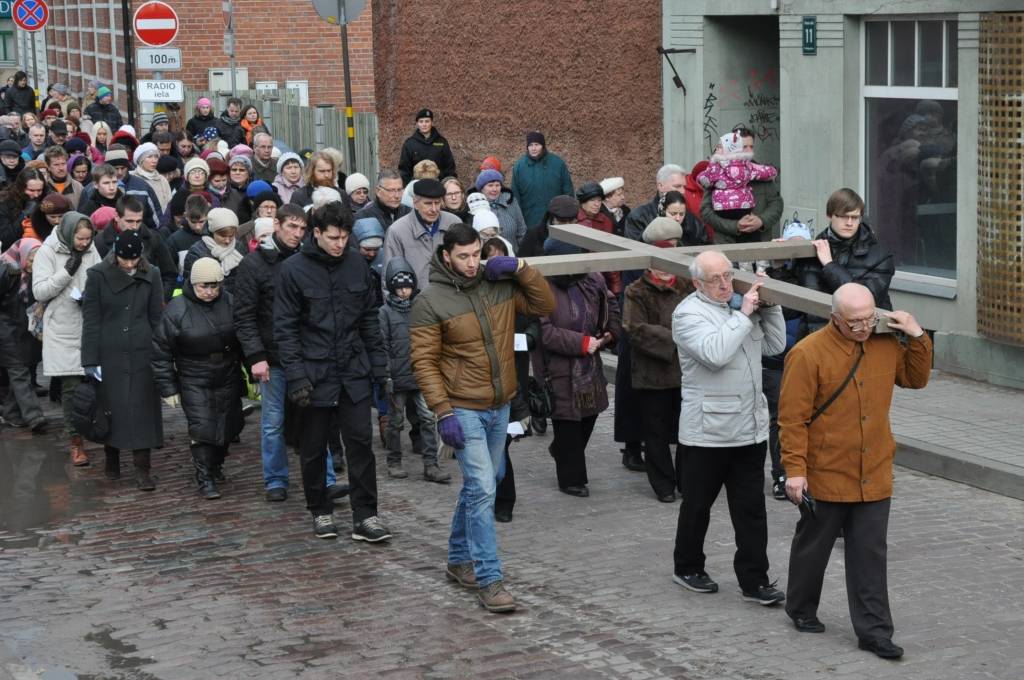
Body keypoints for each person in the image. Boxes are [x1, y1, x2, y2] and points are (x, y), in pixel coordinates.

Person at [780, 283, 932, 660]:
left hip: (875, 470)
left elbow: (916, 378)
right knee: (813, 547)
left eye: (869, 319)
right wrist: (795, 471)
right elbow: (792, 419)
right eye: (855, 322)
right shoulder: (807, 353)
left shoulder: (884, 342)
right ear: (835, 318)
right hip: (827, 472)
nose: (864, 327)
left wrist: (916, 334)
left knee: (870, 555)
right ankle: (800, 607)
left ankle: (875, 633)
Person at [409, 223, 554, 613]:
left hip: (500, 402)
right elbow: (423, 363)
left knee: (485, 483)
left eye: (477, 254)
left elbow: (544, 305)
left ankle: (458, 559)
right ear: (446, 257)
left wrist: (520, 267)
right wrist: (442, 412)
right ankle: (489, 579)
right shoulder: (431, 301)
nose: (472, 263)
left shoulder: (500, 285)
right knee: (484, 487)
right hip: (462, 407)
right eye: (463, 256)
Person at [670, 250, 786, 605]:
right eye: (715, 279)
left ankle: (755, 580)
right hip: (707, 433)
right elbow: (716, 353)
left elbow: (774, 345)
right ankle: (688, 566)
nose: (724, 285)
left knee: (751, 510)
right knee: (697, 506)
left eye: (727, 276)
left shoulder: (737, 308)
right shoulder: (688, 314)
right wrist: (745, 314)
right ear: (697, 283)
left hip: (749, 429)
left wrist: (772, 308)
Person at [273, 201, 391, 541]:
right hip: (313, 372)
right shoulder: (293, 270)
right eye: (334, 237)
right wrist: (296, 376)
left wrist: (379, 368)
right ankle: (320, 509)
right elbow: (285, 329)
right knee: (312, 448)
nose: (340, 244)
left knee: (360, 445)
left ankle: (366, 514)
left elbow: (369, 319)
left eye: (345, 237)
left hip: (352, 369)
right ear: (317, 234)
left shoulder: (356, 265)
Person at [152, 257, 244, 499]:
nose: (209, 291)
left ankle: (216, 465)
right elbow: (160, 350)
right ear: (193, 285)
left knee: (229, 423)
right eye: (203, 286)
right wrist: (168, 388)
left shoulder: (230, 302)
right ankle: (204, 477)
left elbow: (244, 335)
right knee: (202, 426)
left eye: (214, 286)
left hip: (228, 372)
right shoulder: (177, 308)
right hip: (194, 374)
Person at [536, 238, 621, 497]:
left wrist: (609, 333)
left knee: (590, 414)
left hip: (589, 363)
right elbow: (544, 331)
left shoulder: (592, 278)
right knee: (567, 420)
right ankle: (571, 478)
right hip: (556, 365)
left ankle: (561, 450)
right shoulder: (540, 286)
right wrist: (581, 342)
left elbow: (611, 307)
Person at [81, 230, 163, 489]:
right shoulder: (97, 276)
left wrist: (161, 352)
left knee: (142, 411)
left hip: (142, 351)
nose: (129, 264)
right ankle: (112, 456)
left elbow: (156, 317)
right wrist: (90, 359)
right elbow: (91, 320)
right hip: (110, 352)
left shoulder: (152, 273)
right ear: (115, 254)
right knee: (112, 409)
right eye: (124, 259)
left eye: (134, 259)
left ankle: (142, 469)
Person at [622, 218, 693, 502]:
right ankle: (663, 484)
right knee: (656, 433)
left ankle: (688, 481)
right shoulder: (636, 291)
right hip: (653, 374)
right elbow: (635, 329)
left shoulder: (687, 286)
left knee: (688, 432)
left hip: (685, 373)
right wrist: (679, 338)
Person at [32, 211, 102, 466]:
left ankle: (95, 429)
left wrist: (91, 296)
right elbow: (39, 291)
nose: (85, 244)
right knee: (71, 389)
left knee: (96, 384)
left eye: (88, 239)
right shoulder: (47, 252)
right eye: (81, 239)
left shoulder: (92, 249)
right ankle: (75, 441)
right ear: (70, 234)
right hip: (62, 328)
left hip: (90, 324)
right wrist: (66, 272)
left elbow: (99, 277)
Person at [379, 257, 450, 483]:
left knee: (429, 418)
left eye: (407, 286)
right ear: (392, 287)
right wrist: (386, 374)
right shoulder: (384, 313)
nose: (403, 291)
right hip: (397, 376)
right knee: (395, 421)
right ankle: (394, 461)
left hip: (421, 374)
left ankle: (431, 464)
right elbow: (382, 345)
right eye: (399, 287)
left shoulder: (421, 308)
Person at [797, 187, 895, 323]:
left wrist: (830, 265)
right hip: (818, 334)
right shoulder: (812, 251)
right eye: (843, 216)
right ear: (830, 215)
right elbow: (792, 309)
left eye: (855, 217)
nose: (849, 223)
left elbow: (863, 300)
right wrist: (779, 267)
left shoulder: (881, 255)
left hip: (864, 334)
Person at [701, 126, 783, 246]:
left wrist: (761, 221)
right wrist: (735, 226)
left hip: (760, 244)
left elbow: (777, 204)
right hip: (727, 244)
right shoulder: (717, 175)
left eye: (751, 146)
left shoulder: (762, 174)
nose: (749, 150)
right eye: (744, 147)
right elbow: (706, 211)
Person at [381, 178, 461, 293]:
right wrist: (398, 308)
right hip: (415, 304)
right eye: (428, 203)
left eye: (437, 203)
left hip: (451, 300)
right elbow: (388, 278)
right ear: (415, 203)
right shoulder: (397, 231)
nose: (434, 209)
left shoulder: (454, 224)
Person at [0, 238, 46, 431]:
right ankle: (34, 415)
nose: (34, 265)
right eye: (32, 259)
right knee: (19, 372)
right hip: (5, 329)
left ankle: (10, 412)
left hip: (22, 329)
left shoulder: (34, 274)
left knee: (21, 370)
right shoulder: (6, 271)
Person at [94, 196, 177, 300]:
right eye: (129, 221)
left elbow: (170, 274)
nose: (134, 226)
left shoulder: (153, 238)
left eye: (138, 221)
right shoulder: (100, 242)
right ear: (117, 216)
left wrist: (159, 299)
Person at [510, 130, 574, 229]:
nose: (533, 148)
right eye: (530, 145)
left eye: (537, 144)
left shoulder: (558, 164)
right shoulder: (519, 167)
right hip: (530, 222)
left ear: (543, 146)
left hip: (556, 221)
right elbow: (515, 196)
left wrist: (567, 217)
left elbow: (568, 191)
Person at [183, 207, 244, 294]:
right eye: (223, 236)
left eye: (231, 236)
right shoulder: (196, 252)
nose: (227, 241)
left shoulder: (239, 247)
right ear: (212, 232)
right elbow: (190, 284)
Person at [575, 181, 621, 295]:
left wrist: (615, 284)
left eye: (599, 200)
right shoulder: (573, 219)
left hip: (600, 275)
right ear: (583, 201)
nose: (597, 204)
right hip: (576, 274)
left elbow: (609, 253)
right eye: (592, 200)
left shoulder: (605, 221)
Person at [624, 164, 687, 242]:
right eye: (677, 186)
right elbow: (634, 249)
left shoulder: (692, 220)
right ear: (660, 186)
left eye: (684, 187)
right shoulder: (638, 217)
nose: (683, 191)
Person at [398, 108, 456, 185]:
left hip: (438, 186)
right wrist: (409, 187)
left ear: (431, 122)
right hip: (417, 188)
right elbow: (404, 170)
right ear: (417, 123)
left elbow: (450, 167)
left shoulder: (442, 142)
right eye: (421, 121)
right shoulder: (409, 144)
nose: (424, 124)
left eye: (427, 121)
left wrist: (447, 184)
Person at [476, 169, 527, 248]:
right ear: (482, 188)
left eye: (497, 185)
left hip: (512, 254)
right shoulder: (475, 206)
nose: (494, 189)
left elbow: (521, 229)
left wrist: (524, 251)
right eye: (490, 185)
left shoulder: (510, 201)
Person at [131, 142, 172, 214]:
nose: (154, 161)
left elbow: (169, 204)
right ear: (141, 160)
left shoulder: (162, 180)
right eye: (149, 157)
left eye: (156, 157)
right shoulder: (132, 178)